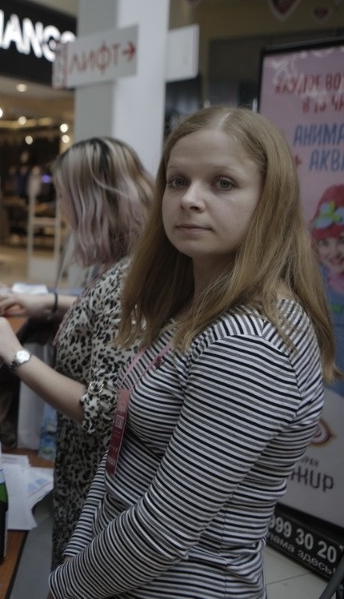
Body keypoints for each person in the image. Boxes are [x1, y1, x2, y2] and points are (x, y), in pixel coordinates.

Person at [47, 106, 332, 598]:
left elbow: (163, 531)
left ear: (271, 199)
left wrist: (64, 588)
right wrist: (78, 553)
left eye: (223, 183)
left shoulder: (249, 343)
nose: (190, 201)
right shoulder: (191, 305)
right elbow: (121, 452)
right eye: (178, 181)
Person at [0, 136, 153, 568]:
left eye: (64, 197)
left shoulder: (126, 278)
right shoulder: (126, 262)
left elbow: (99, 409)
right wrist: (54, 303)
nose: (60, 210)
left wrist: (15, 354)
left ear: (90, 201)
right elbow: (110, 324)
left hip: (94, 480)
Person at [309, 184, 344, 396]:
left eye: (342, 241)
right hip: (322, 378)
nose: (334, 252)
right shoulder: (315, 278)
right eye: (325, 243)